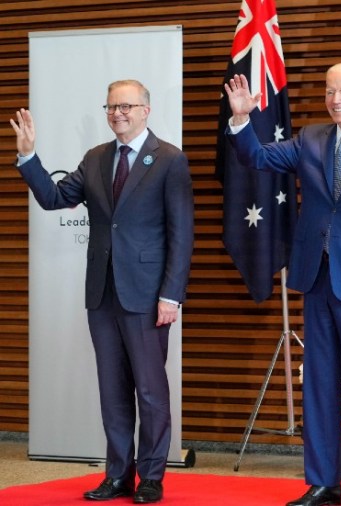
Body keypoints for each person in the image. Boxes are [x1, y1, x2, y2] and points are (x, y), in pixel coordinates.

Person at [224, 63, 341, 506]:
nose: (336, 100)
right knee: (319, 383)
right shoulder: (310, 139)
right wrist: (241, 120)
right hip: (316, 277)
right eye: (331, 91)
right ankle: (324, 482)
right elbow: (257, 158)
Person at [10, 79, 194, 504]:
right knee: (112, 390)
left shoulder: (169, 160)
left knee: (150, 390)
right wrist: (28, 156)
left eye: (126, 106)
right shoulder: (95, 158)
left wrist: (172, 294)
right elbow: (55, 198)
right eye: (111, 106)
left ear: (146, 110)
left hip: (148, 296)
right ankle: (117, 475)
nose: (117, 113)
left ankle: (151, 477)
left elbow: (182, 234)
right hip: (103, 293)